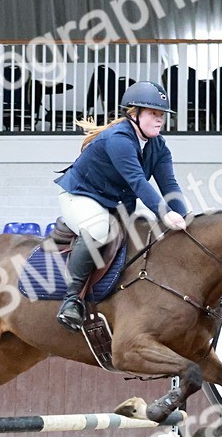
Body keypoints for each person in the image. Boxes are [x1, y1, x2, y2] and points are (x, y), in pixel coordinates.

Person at [53, 80, 190, 332]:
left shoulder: (158, 146)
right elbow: (138, 183)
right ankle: (71, 300)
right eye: (153, 114)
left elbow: (169, 185)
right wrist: (164, 214)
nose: (159, 120)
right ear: (133, 114)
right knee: (98, 230)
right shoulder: (119, 139)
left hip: (114, 204)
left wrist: (187, 218)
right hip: (81, 196)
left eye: (162, 115)